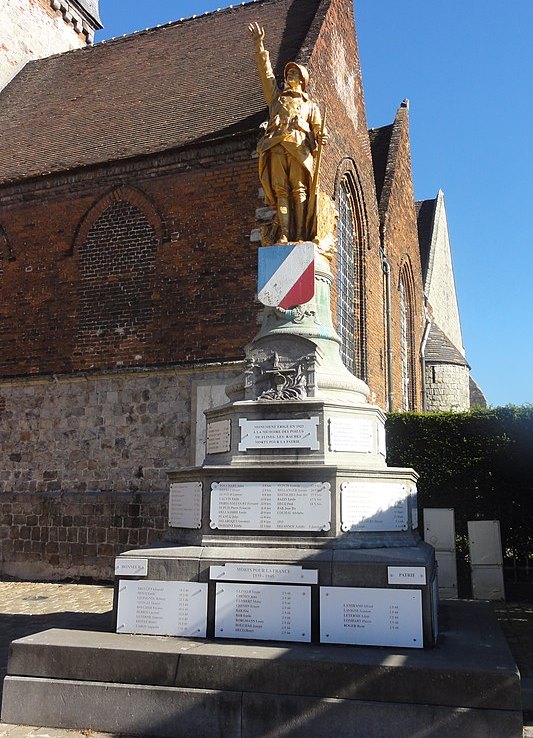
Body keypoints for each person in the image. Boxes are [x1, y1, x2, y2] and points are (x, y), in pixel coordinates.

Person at [248, 21, 328, 243]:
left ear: (302, 81)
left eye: (293, 74)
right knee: (281, 191)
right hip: (275, 145)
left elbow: (318, 127)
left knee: (300, 191)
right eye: (288, 73)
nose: (289, 76)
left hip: (299, 147)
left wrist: (321, 135)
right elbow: (266, 75)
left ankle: (301, 234)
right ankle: (284, 233)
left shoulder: (310, 105)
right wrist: (259, 45)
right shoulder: (276, 100)